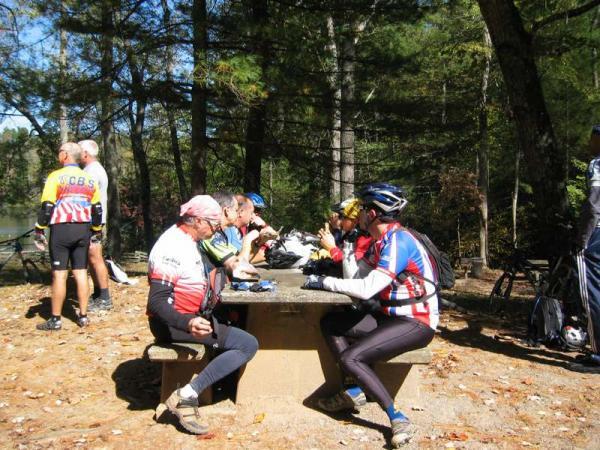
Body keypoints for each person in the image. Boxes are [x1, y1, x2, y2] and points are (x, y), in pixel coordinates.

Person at [303, 183, 438, 448]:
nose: (359, 213)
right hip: (389, 316)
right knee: (332, 324)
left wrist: (323, 282)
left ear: (374, 213)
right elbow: (357, 278)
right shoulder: (381, 242)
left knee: (351, 356)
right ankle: (354, 391)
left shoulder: (399, 241)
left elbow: (365, 289)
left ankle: (396, 417)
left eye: (364, 208)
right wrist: (347, 253)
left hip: (416, 322)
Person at [147, 195, 258, 434]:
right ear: (197, 220)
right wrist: (187, 322)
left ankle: (218, 385)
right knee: (247, 344)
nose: (216, 228)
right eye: (213, 223)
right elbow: (156, 302)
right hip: (172, 323)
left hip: (189, 317)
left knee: (237, 328)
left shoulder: (188, 240)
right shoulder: (172, 247)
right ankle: (186, 395)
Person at [33, 142, 103, 331]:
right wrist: (96, 230)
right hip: (83, 229)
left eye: (60, 152)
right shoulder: (89, 179)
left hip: (62, 229)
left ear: (65, 155)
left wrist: (39, 228)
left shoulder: (55, 176)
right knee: (81, 272)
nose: (58, 154)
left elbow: (47, 206)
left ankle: (55, 319)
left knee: (59, 275)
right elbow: (97, 209)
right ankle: (83, 316)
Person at [571, 125, 600, 374]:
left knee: (592, 294)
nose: (590, 143)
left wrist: (583, 238)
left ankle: (598, 352)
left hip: (596, 236)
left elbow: (593, 205)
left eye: (593, 138)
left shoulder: (597, 164)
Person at [79, 139, 112, 311]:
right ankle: (98, 294)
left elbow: (87, 198)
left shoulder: (92, 171)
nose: (77, 154)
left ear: (85, 153)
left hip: (94, 222)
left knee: (95, 257)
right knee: (92, 259)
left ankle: (105, 298)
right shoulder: (90, 169)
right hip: (92, 221)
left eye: (79, 151)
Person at [200, 191, 259, 277]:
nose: (238, 213)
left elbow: (239, 258)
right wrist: (247, 240)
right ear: (227, 211)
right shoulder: (209, 235)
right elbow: (239, 268)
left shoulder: (218, 233)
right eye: (235, 210)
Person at [318, 198, 371, 278]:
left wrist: (332, 248)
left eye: (344, 217)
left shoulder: (363, 238)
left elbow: (350, 265)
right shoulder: (352, 234)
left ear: (355, 220)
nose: (341, 220)